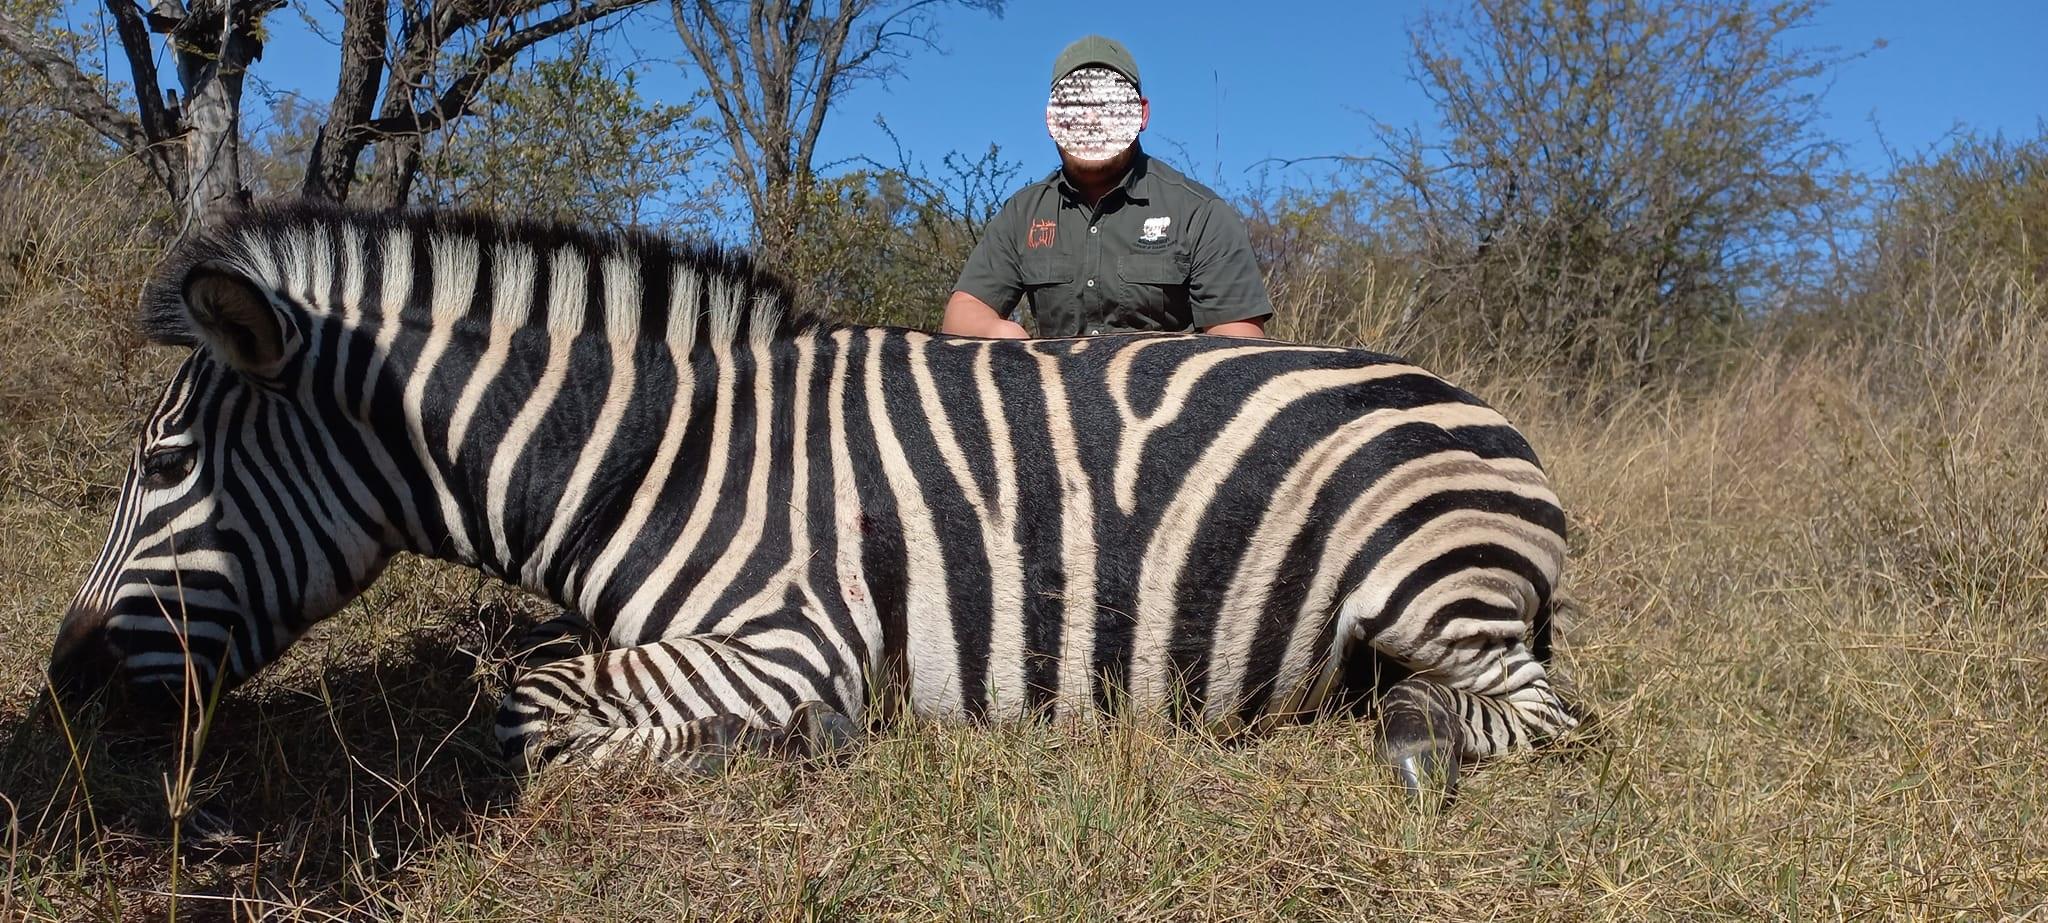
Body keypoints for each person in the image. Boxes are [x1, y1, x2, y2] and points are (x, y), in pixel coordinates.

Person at [941, 35, 1276, 340]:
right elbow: (964, 312)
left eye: (1107, 104)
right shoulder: (1022, 213)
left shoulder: (1201, 214)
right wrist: (1004, 336)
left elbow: (1238, 343)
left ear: (1141, 114)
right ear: (1052, 120)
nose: (1090, 119)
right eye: (1075, 105)